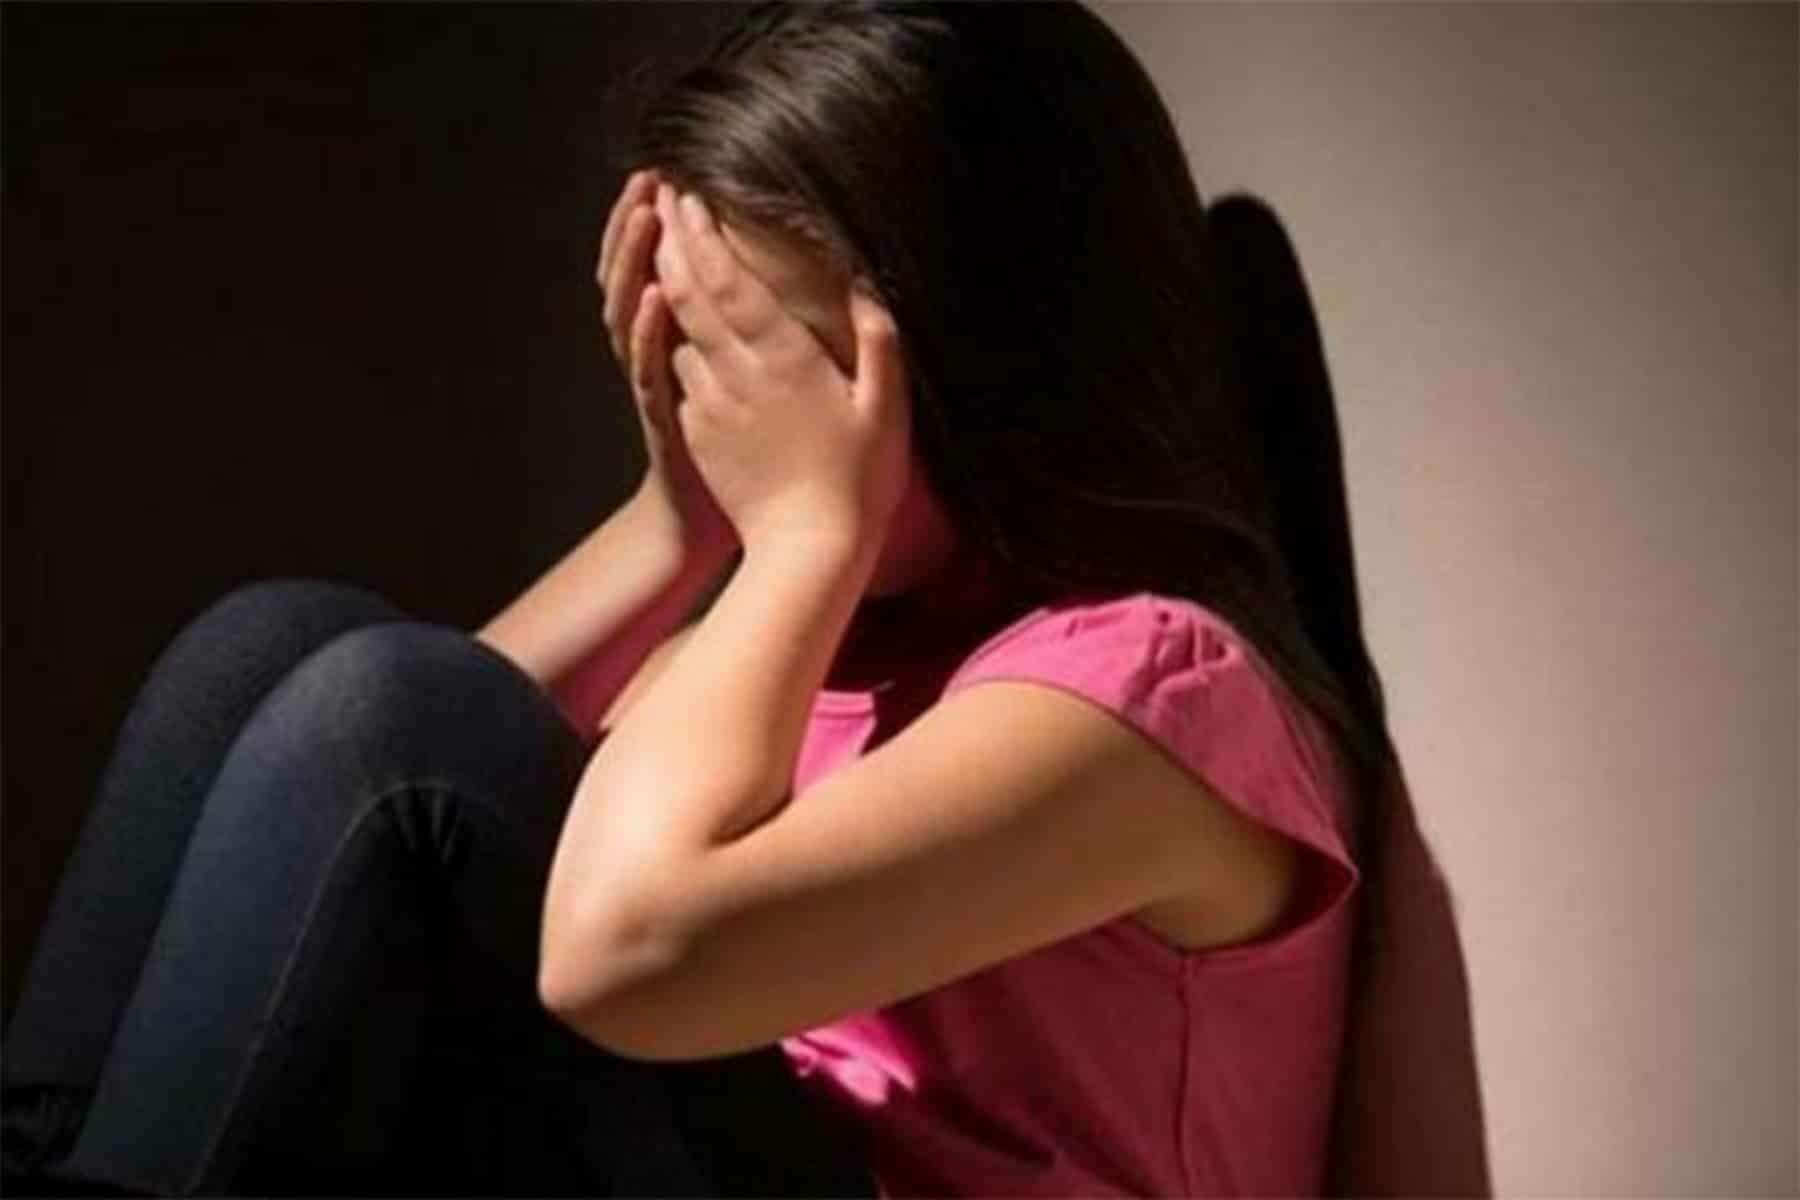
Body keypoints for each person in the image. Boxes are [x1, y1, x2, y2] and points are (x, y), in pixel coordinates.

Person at [5, 1, 1406, 1195]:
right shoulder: (829, 650)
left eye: (781, 360)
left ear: (995, 356)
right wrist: (675, 524)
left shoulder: (1151, 704)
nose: (742, 412)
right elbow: (341, 856)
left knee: (391, 711)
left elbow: (611, 943)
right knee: (270, 650)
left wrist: (801, 534)